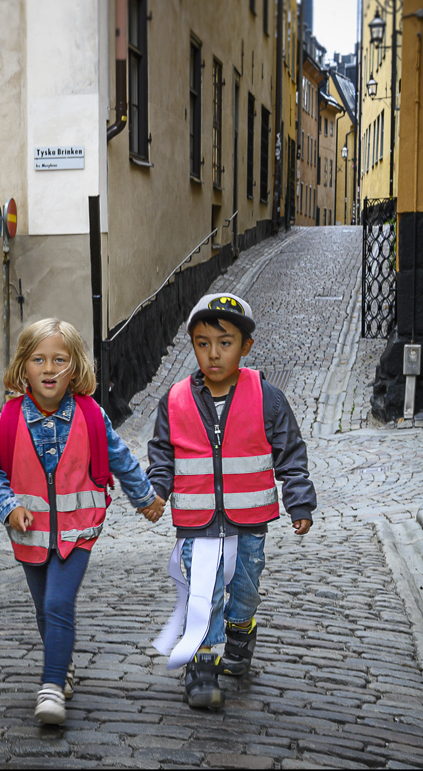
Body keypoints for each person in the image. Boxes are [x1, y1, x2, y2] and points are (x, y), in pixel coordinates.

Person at [0, 318, 166, 726]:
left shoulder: (91, 416)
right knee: (45, 610)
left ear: (75, 368)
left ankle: (51, 685)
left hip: (78, 532)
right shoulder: (6, 422)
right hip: (29, 537)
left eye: (59, 360)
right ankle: (62, 663)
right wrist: (9, 507)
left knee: (59, 603)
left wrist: (146, 498)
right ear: (23, 367)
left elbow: (121, 459)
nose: (48, 369)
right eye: (38, 359)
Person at [148, 293, 317, 708]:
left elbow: (290, 453)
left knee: (243, 590)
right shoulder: (175, 400)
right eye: (203, 343)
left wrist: (299, 501)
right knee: (203, 593)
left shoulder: (267, 398)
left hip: (248, 521)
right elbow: (162, 454)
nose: (213, 354)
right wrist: (157, 491)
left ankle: (242, 629)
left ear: (246, 347)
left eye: (225, 343)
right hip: (197, 522)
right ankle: (201, 668)